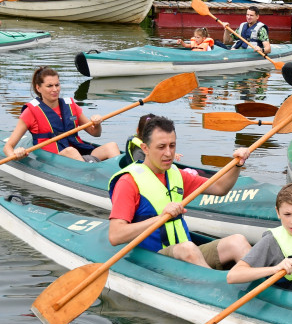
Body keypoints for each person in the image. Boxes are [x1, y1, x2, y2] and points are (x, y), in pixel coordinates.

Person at [108, 115, 251, 268]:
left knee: (237, 241)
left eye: (172, 145)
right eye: (161, 147)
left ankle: (261, 284)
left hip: (187, 254)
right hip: (153, 259)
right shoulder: (128, 182)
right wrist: (160, 218)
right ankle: (219, 289)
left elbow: (220, 187)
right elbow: (116, 235)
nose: (169, 153)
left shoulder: (176, 174)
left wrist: (237, 164)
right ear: (145, 148)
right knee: (188, 248)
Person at [4, 66, 121, 163]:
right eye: (49, 86)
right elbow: (8, 147)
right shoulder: (30, 112)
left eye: (57, 85)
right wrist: (16, 154)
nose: (55, 89)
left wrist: (97, 124)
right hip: (52, 158)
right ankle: (91, 178)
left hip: (78, 153)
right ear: (38, 88)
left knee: (112, 146)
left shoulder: (70, 106)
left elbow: (95, 134)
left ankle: (124, 178)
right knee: (71, 151)